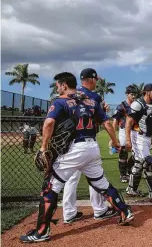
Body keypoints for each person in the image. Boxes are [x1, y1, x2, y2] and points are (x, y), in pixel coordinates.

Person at [19, 72, 134, 243]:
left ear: (64, 85)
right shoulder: (91, 101)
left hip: (74, 149)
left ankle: (42, 232)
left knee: (50, 188)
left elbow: (49, 123)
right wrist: (116, 142)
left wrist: (43, 147)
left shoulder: (60, 101)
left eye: (58, 85)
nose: (57, 88)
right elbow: (107, 123)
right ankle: (125, 211)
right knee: (101, 183)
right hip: (92, 148)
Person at [62, 68, 116, 224]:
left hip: (69, 143)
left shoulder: (71, 94)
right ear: (91, 79)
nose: (97, 82)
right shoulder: (94, 97)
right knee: (95, 177)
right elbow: (100, 120)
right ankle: (99, 209)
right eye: (96, 80)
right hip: (86, 142)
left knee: (71, 179)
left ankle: (69, 213)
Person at [125, 83, 152, 205]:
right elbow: (128, 122)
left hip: (147, 138)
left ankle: (131, 189)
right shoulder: (138, 105)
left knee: (138, 163)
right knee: (149, 162)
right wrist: (128, 140)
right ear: (147, 92)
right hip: (137, 137)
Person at [111, 85, 138, 183]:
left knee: (137, 153)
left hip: (135, 131)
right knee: (123, 153)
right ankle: (123, 175)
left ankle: (128, 169)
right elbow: (115, 121)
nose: (134, 96)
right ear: (127, 94)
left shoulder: (137, 106)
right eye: (132, 94)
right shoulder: (121, 106)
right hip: (123, 131)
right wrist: (113, 137)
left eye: (135, 94)